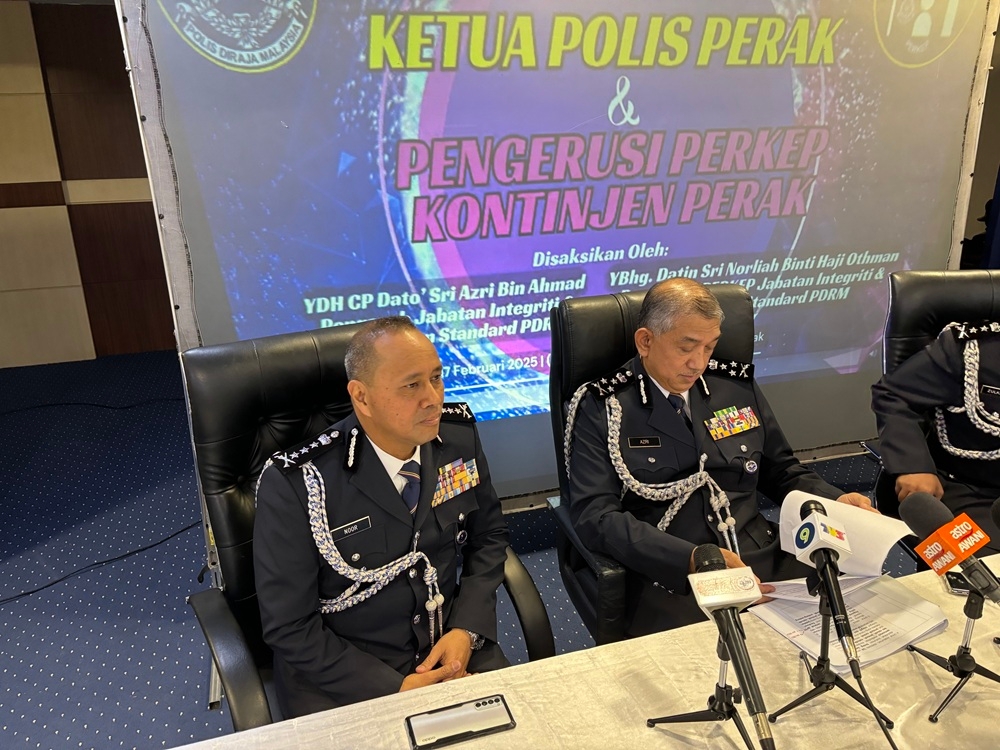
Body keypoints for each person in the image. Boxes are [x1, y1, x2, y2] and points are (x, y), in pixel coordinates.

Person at [564, 278, 874, 635]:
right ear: (646, 341)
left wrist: (836, 500)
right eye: (687, 347)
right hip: (674, 571)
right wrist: (692, 560)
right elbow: (595, 516)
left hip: (759, 553)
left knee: (843, 626)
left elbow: (781, 471)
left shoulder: (733, 387)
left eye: (710, 347)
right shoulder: (603, 406)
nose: (698, 363)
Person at [254, 316, 510, 718]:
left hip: (450, 648)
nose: (433, 398)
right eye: (412, 385)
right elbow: (290, 626)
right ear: (362, 397)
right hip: (348, 676)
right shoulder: (298, 484)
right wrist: (394, 688)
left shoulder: (457, 437)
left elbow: (489, 537)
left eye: (436, 377)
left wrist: (467, 628)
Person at [871, 320, 1000, 553]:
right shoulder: (971, 349)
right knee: (980, 576)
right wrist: (913, 465)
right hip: (970, 489)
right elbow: (895, 395)